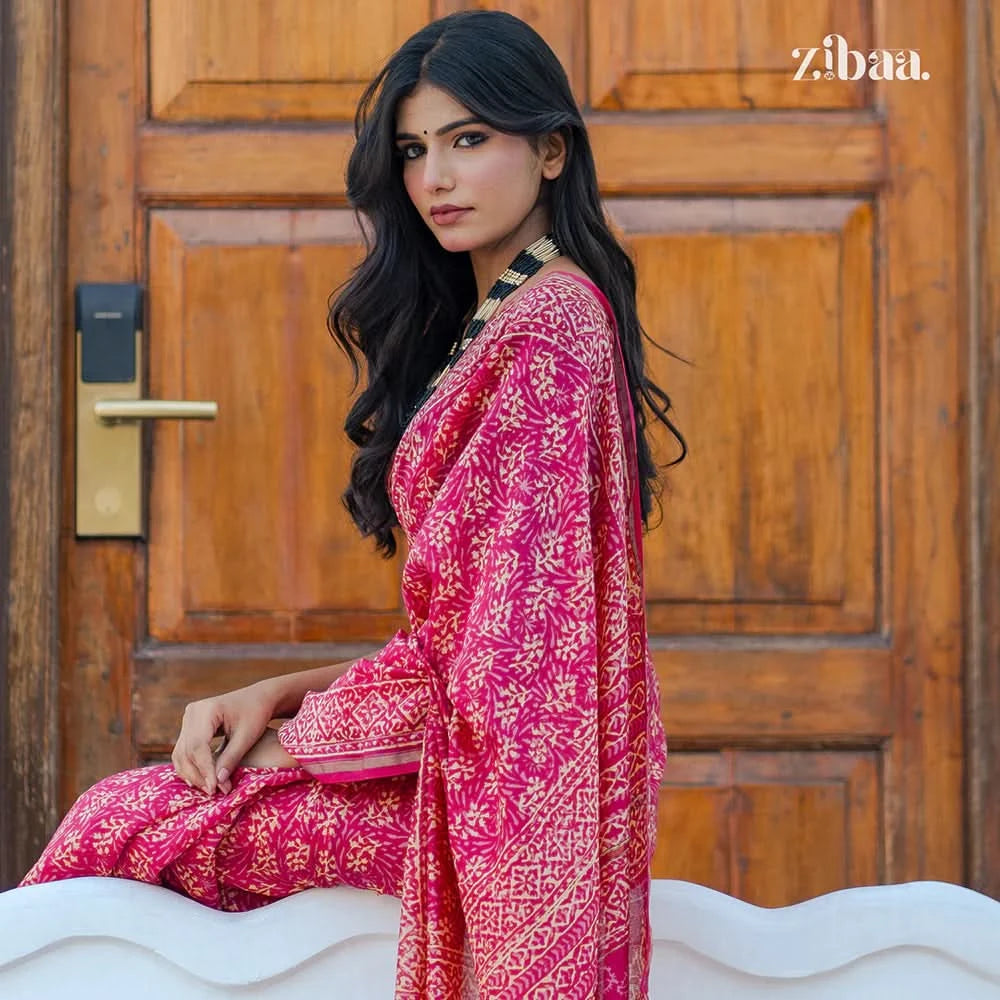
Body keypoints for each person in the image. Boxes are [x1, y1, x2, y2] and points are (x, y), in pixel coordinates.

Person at [21, 9, 685, 998]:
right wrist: (279, 696)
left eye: (469, 140)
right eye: (416, 150)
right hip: (465, 764)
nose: (435, 179)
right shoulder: (505, 316)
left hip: (494, 805)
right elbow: (470, 637)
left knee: (126, 820)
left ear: (549, 150)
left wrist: (298, 743)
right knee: (128, 818)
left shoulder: (543, 336)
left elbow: (509, 672)